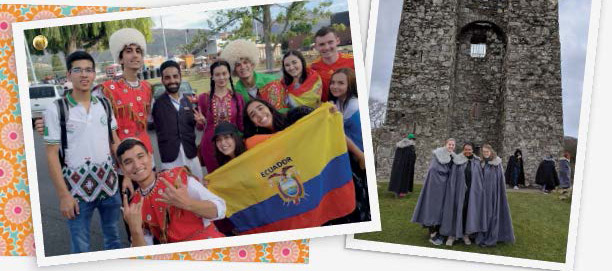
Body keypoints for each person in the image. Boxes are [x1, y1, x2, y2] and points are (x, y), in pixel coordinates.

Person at [43, 51, 123, 253]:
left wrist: (127, 176)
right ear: (69, 75)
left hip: (110, 187)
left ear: (94, 74)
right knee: (81, 247)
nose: (84, 75)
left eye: (88, 70)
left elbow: (115, 142)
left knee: (113, 238)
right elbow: (52, 154)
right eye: (77, 70)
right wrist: (63, 196)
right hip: (76, 192)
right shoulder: (56, 109)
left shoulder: (104, 105)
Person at [118, 138, 226, 245]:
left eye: (140, 156)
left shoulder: (176, 177)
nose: (137, 165)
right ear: (123, 170)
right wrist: (135, 231)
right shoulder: (134, 206)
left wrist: (189, 204)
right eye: (128, 162)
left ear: (150, 157)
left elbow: (220, 209)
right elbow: (143, 256)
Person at [328, 68, 369, 222]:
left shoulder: (354, 106)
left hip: (358, 156)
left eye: (340, 83)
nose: (335, 86)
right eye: (332, 82)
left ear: (350, 85)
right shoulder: (338, 103)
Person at [152, 60, 204, 180]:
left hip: (191, 155)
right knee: (176, 195)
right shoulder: (156, 103)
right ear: (162, 80)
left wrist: (201, 122)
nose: (172, 81)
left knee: (199, 190)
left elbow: (195, 125)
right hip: (170, 159)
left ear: (180, 77)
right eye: (167, 77)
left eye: (175, 76)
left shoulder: (188, 101)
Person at [197, 60, 245, 173]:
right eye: (217, 74)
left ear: (229, 74)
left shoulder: (237, 98)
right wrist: (200, 122)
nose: (221, 77)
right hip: (210, 145)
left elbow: (241, 125)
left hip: (232, 145)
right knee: (216, 180)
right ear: (212, 77)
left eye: (224, 73)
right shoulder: (204, 98)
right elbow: (200, 128)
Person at [219, 39, 288, 112]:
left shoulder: (271, 81)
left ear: (252, 64)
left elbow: (281, 109)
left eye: (245, 62)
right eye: (238, 65)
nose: (243, 67)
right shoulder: (236, 92)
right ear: (234, 69)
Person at [411, 138, 456, 246]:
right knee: (432, 208)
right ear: (445, 144)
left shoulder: (452, 156)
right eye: (449, 144)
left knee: (441, 209)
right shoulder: (439, 154)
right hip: (435, 186)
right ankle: (432, 234)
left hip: (445, 187)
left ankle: (437, 231)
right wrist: (447, 174)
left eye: (453, 145)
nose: (451, 146)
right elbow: (434, 169)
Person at [440, 143, 486, 246]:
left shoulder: (476, 162)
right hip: (458, 191)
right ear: (463, 149)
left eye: (469, 149)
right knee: (456, 211)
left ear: (472, 150)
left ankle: (466, 234)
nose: (467, 151)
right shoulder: (457, 160)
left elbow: (479, 178)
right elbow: (452, 177)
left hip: (471, 192)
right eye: (466, 149)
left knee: (467, 212)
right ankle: (452, 235)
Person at [209, 121, 247, 236]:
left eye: (226, 137)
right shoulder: (222, 167)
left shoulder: (249, 156)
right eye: (218, 140)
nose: (223, 143)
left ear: (235, 138)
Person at [476, 144, 515, 246]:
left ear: (491, 152)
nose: (485, 154)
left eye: (487, 152)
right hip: (483, 195)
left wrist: (499, 194)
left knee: (491, 215)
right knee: (483, 215)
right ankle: (482, 234)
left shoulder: (497, 163)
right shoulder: (481, 163)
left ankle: (492, 236)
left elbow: (501, 180)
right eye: (484, 152)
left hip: (493, 194)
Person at [311, 26, 355, 102]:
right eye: (322, 44)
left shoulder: (353, 61)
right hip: (327, 111)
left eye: (330, 42)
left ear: (337, 41)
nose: (327, 47)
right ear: (316, 47)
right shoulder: (311, 68)